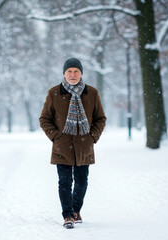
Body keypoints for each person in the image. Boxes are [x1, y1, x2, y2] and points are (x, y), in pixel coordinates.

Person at [39, 58, 106, 229]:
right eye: (69, 71)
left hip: (84, 145)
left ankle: (76, 210)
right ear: (64, 73)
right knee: (64, 182)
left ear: (81, 73)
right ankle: (68, 215)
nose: (73, 74)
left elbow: (100, 119)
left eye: (76, 71)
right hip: (62, 146)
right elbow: (44, 119)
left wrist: (92, 137)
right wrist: (55, 136)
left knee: (82, 182)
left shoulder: (92, 93)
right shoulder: (54, 93)